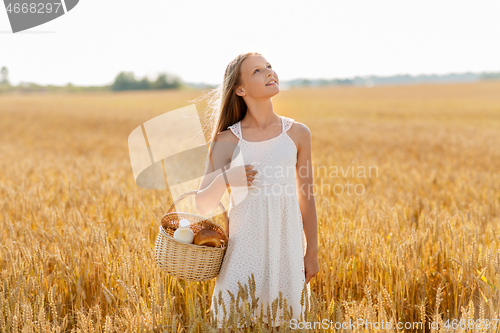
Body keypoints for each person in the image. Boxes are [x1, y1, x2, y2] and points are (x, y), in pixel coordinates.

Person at [194, 52, 319, 331]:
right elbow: (202, 204)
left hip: (286, 250)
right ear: (239, 89)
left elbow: (306, 197)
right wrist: (226, 177)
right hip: (243, 251)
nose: (269, 73)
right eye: (257, 72)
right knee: (234, 323)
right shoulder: (226, 139)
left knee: (287, 323)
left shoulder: (297, 134)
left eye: (269, 67)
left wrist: (312, 251)